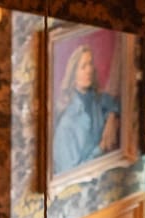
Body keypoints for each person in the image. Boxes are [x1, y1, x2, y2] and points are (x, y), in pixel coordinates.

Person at [51, 43, 121, 176]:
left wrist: (111, 119)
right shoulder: (67, 123)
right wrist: (100, 149)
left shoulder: (96, 99)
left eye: (90, 64)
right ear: (73, 74)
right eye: (83, 67)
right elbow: (70, 174)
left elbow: (115, 104)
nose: (89, 70)